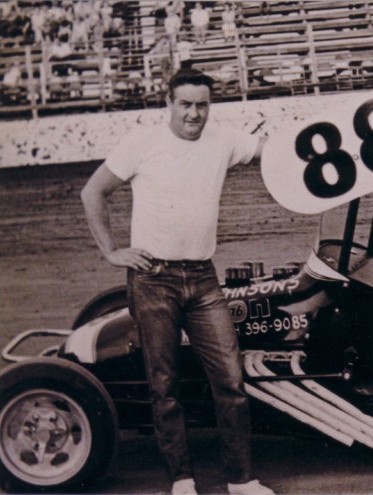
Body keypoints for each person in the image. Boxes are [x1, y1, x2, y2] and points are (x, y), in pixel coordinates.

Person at [80, 68, 273, 495]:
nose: (194, 114)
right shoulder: (141, 143)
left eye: (202, 105)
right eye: (185, 104)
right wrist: (111, 251)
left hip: (203, 278)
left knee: (231, 381)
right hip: (153, 279)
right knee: (164, 385)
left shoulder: (224, 139)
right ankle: (182, 480)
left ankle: (241, 480)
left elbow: (272, 150)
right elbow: (93, 192)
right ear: (168, 103)